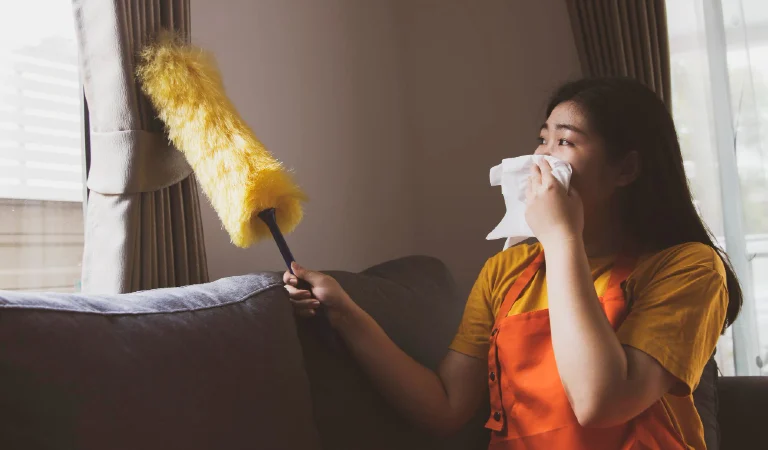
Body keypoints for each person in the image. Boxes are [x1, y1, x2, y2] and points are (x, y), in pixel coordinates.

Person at [283, 78, 740, 449]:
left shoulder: (687, 268)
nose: (540, 158)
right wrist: (345, 312)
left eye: (565, 141)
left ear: (626, 170)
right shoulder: (506, 272)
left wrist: (561, 238)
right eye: (543, 140)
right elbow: (445, 407)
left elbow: (600, 403)